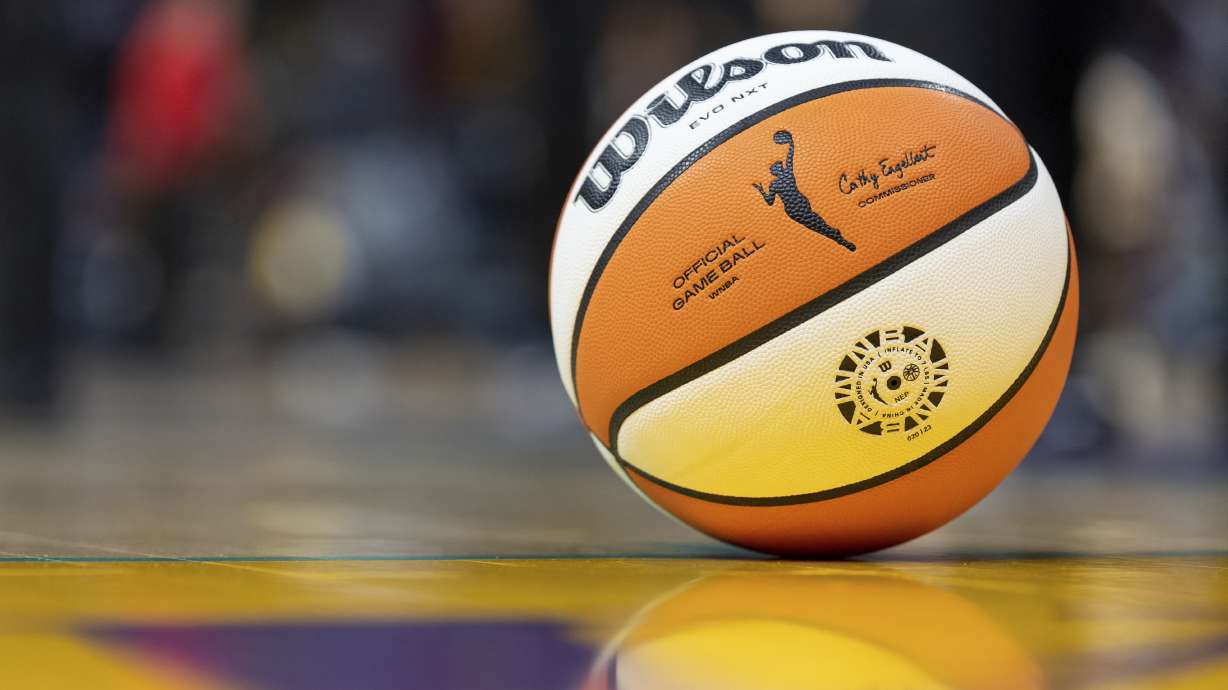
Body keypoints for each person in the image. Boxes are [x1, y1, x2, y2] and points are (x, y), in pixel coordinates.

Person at [753, 130, 856, 252]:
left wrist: (762, 191)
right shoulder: (785, 176)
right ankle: (840, 240)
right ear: (776, 171)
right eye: (779, 166)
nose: (782, 166)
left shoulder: (777, 182)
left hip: (796, 209)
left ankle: (836, 236)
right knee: (817, 224)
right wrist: (791, 144)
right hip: (797, 208)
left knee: (817, 224)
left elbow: (770, 201)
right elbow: (789, 160)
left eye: (781, 165)